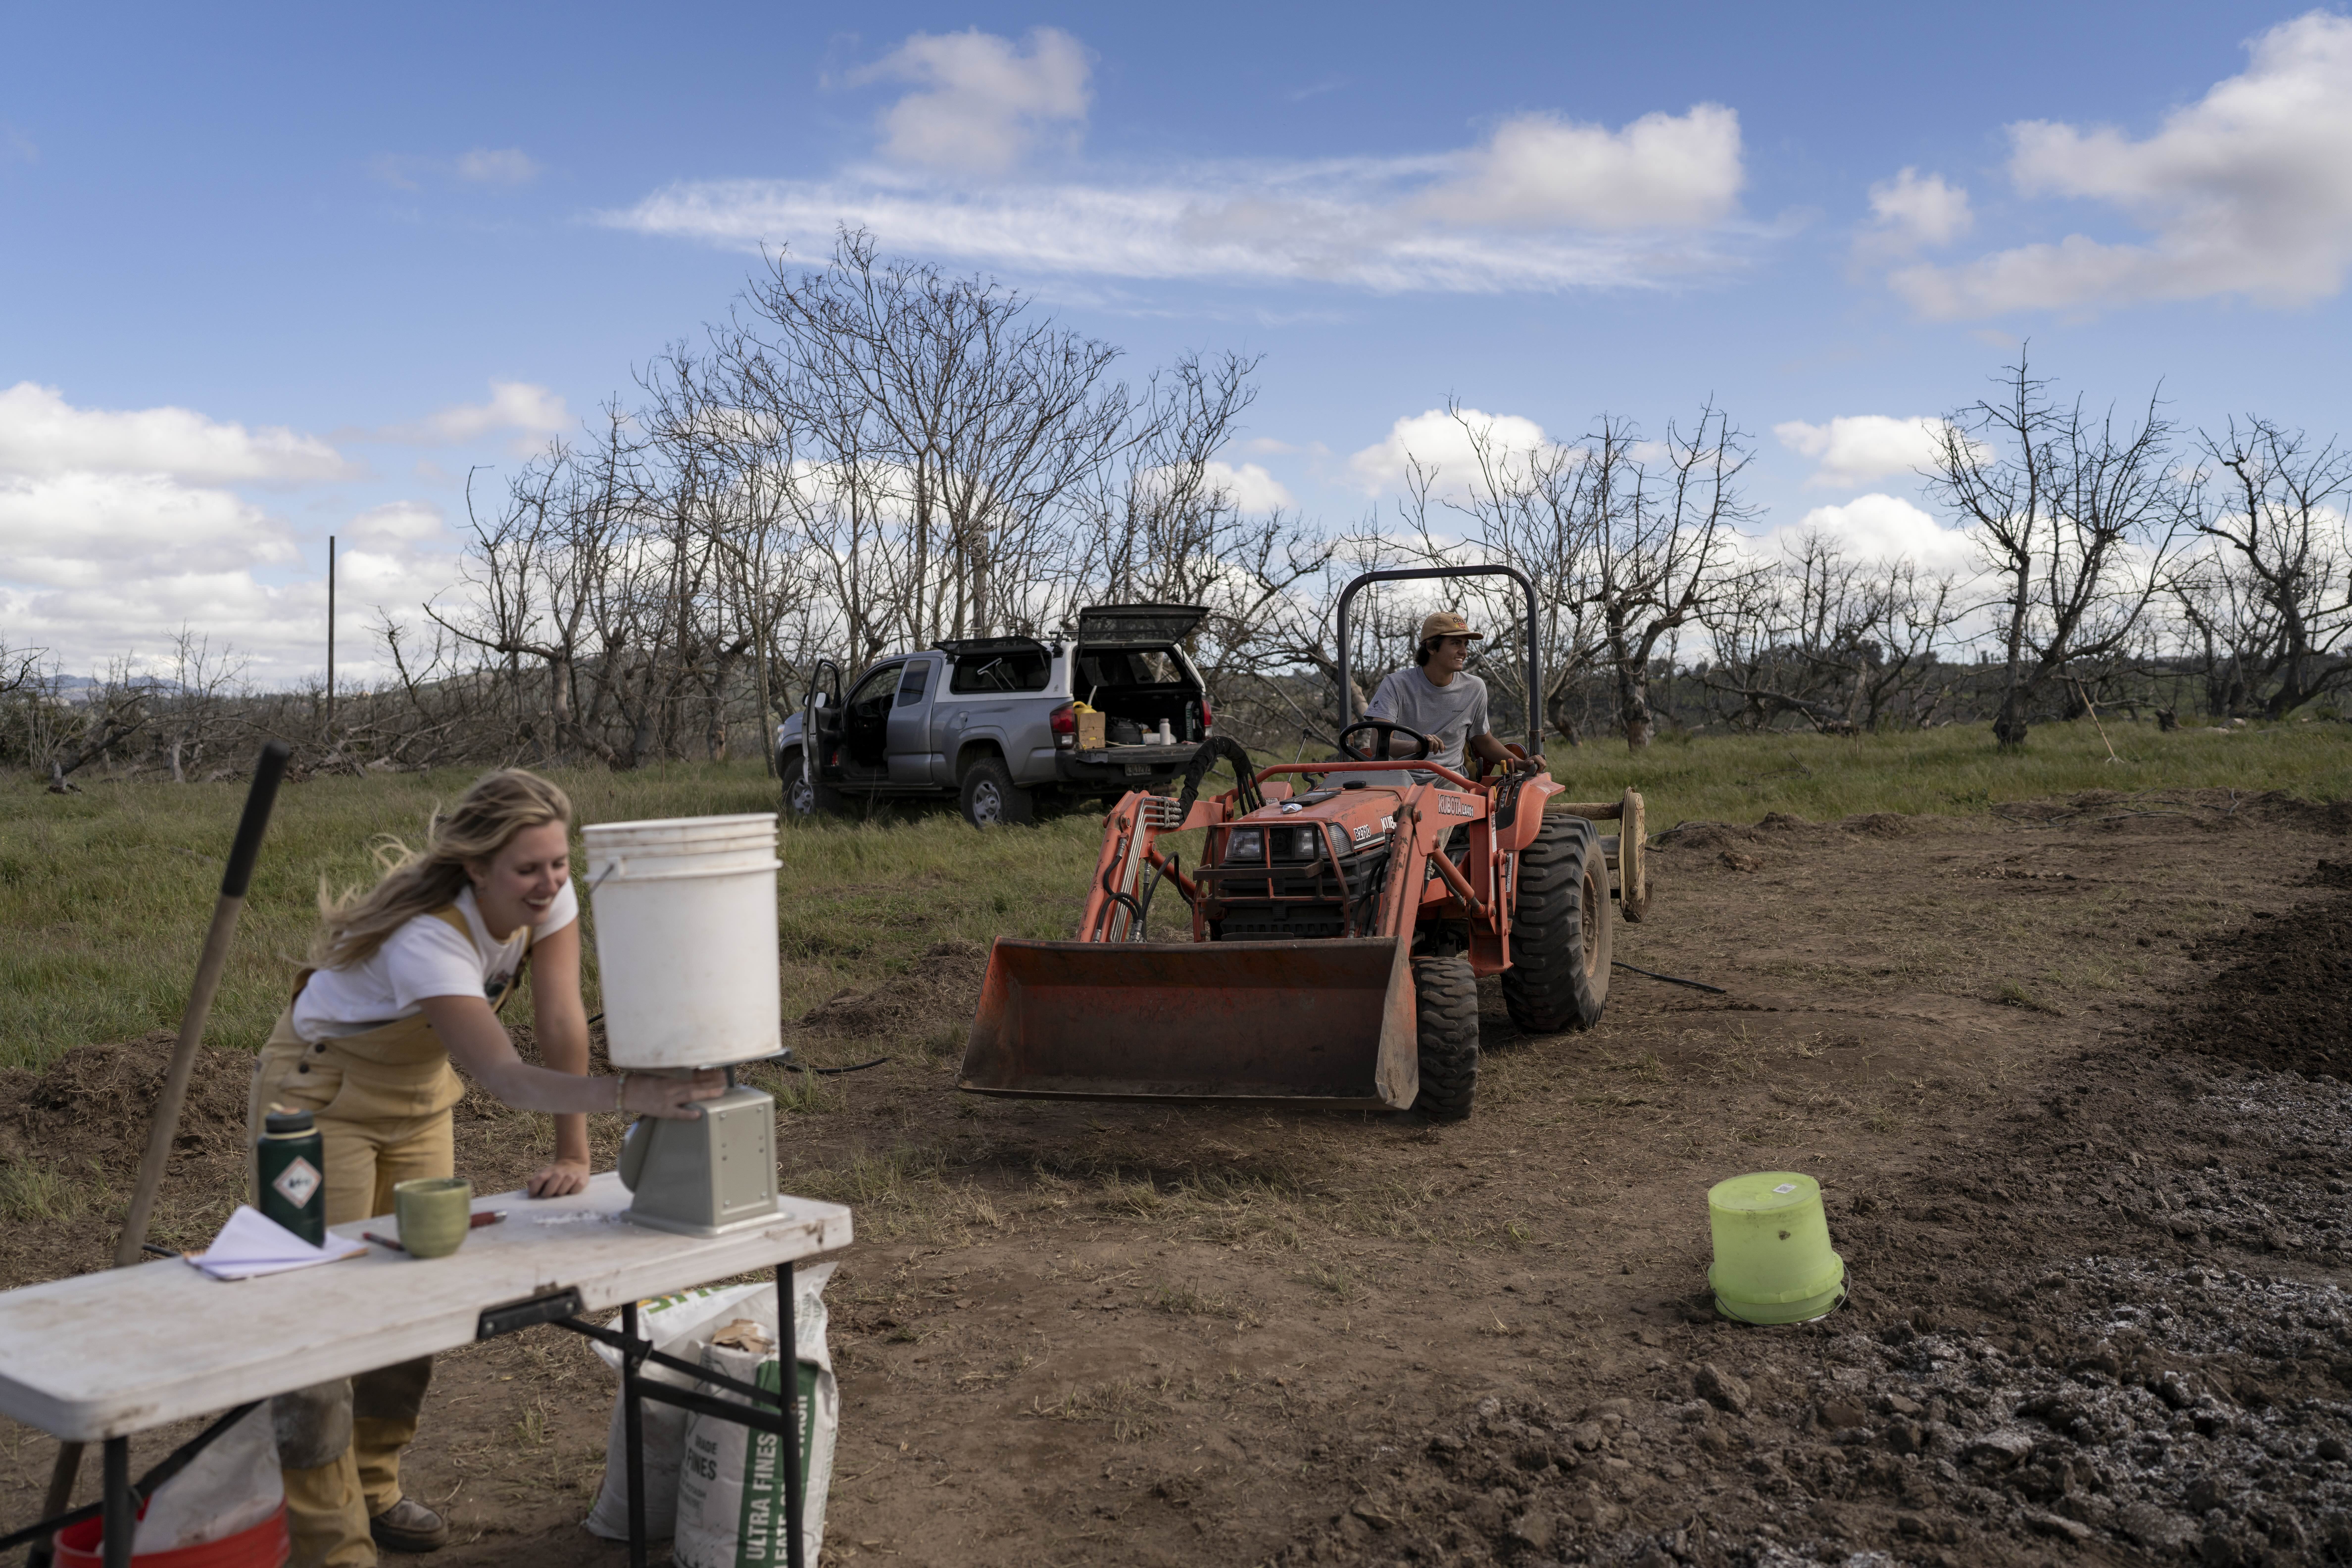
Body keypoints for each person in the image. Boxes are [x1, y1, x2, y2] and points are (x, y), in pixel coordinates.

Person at [249, 769, 723, 1567]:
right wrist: (629, 1092)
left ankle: (375, 1486)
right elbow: (503, 1076)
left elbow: (561, 1018)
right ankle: (331, 1545)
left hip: (421, 1097)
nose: (548, 885)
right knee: (317, 1309)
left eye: (559, 865)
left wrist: (574, 1150)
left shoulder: (549, 902)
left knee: (414, 1287)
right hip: (318, 1099)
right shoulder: (428, 937)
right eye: (528, 869)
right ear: (477, 868)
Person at [1361, 610, 1547, 776]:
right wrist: (1417, 746)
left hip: (1449, 780)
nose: (1464, 652)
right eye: (1456, 643)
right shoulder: (1396, 685)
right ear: (1432, 648)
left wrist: (1522, 763)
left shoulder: (1474, 688)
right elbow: (1379, 744)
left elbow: (1484, 741)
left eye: (1466, 644)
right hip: (1399, 781)